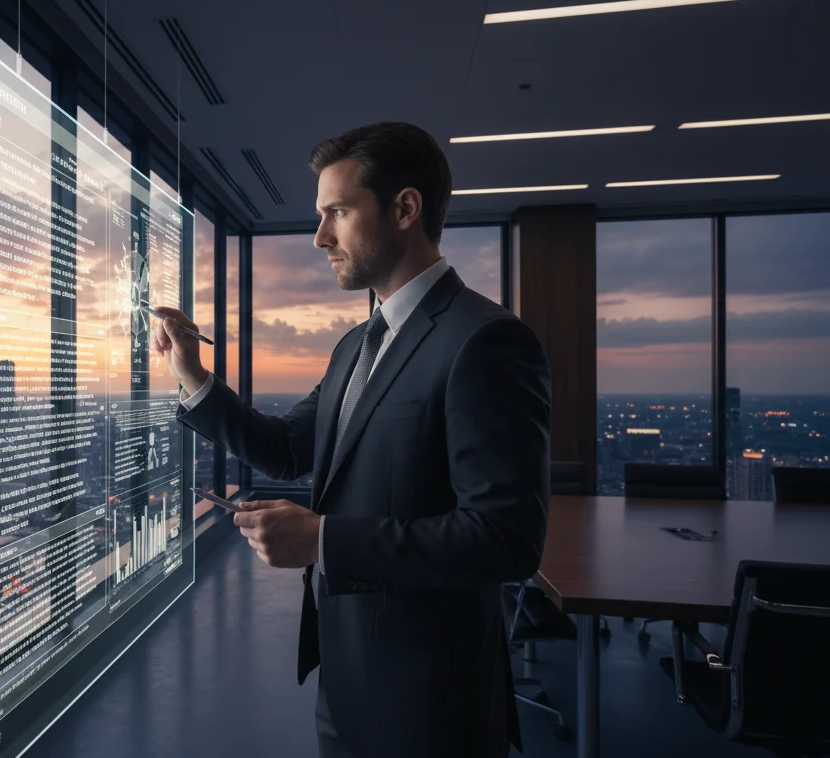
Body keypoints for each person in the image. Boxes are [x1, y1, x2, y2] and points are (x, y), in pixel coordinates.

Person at [151, 122, 551, 758]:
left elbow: (507, 539)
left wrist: (323, 539)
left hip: (430, 699)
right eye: (320, 215)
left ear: (405, 209)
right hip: (345, 676)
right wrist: (193, 379)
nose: (319, 237)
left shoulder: (486, 340)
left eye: (337, 211)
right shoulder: (355, 346)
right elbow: (287, 447)